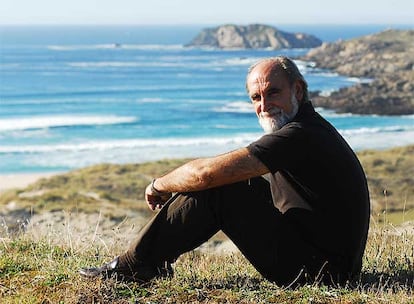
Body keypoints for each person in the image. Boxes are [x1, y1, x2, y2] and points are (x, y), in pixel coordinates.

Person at [80, 56, 370, 286]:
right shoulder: (309, 128)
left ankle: (136, 265)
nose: (264, 106)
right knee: (236, 183)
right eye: (256, 98)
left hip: (320, 273)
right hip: (325, 261)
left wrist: (159, 185)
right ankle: (146, 261)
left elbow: (204, 174)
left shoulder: (299, 135)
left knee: (219, 187)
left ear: (298, 89)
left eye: (273, 92)